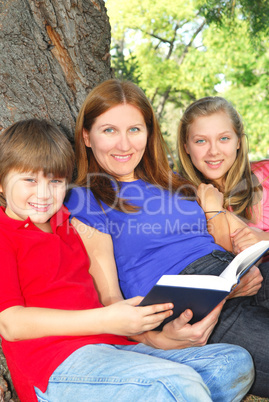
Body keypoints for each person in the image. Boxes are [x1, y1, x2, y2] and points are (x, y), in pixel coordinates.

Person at [0, 119, 253, 402]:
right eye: (29, 180)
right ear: (1, 182)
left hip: (113, 348)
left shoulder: (69, 222)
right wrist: (105, 319)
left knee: (232, 361)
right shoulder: (3, 233)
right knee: (176, 383)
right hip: (54, 363)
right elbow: (10, 323)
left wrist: (156, 338)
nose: (44, 193)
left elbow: (108, 292)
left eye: (56, 181)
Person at [65, 79, 268, 397]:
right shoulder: (85, 198)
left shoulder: (174, 182)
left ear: (148, 133)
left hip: (234, 275)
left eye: (134, 129)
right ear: (86, 136)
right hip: (189, 305)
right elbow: (110, 299)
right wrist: (154, 338)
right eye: (109, 131)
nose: (124, 145)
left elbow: (244, 236)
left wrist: (243, 263)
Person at [177, 96, 269, 258]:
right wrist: (214, 209)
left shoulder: (265, 173)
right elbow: (222, 261)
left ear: (238, 142)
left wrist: (262, 239)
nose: (213, 151)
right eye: (200, 141)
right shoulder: (182, 199)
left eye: (224, 138)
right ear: (186, 147)